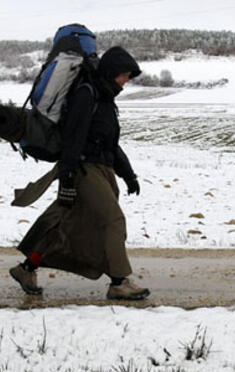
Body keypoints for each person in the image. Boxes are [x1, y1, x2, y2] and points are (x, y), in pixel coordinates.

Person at [9, 46, 150, 300]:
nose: (127, 80)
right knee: (113, 221)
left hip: (100, 170)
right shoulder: (87, 94)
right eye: (125, 75)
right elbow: (74, 136)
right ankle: (119, 282)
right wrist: (68, 176)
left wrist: (128, 174)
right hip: (84, 169)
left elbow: (109, 143)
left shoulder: (105, 98)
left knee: (65, 223)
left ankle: (26, 268)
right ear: (112, 71)